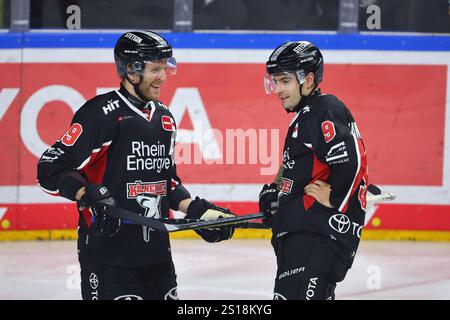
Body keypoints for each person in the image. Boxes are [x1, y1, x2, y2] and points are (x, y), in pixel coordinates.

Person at [37, 30, 235, 300]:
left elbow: (167, 182)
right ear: (131, 70)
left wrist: (198, 212)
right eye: (156, 69)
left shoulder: (165, 118)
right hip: (109, 259)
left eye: (165, 69)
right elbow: (50, 168)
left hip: (158, 259)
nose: (163, 77)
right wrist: (86, 193)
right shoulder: (99, 114)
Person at [259, 41, 368, 300]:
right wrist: (275, 190)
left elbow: (353, 160)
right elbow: (294, 162)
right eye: (275, 81)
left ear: (308, 80)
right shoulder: (306, 115)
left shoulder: (323, 110)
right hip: (302, 235)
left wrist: (334, 195)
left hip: (316, 235)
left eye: (284, 81)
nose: (278, 89)